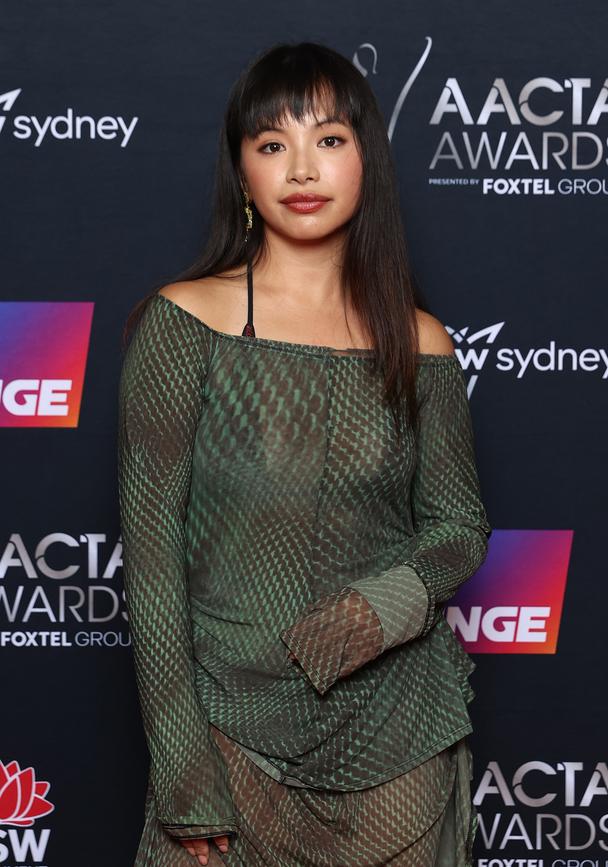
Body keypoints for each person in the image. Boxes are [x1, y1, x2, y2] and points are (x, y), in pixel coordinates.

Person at [117, 40, 491, 866]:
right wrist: (184, 765)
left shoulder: (419, 341)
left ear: (367, 160)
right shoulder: (186, 326)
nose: (300, 169)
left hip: (397, 741)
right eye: (270, 144)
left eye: (328, 139)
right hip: (232, 738)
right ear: (242, 172)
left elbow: (460, 527)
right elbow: (150, 564)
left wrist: (372, 612)